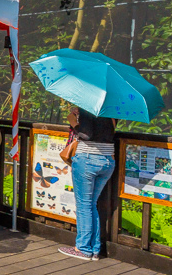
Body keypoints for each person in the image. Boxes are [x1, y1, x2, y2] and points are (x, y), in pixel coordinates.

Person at [59, 105, 116, 261]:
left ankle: (83, 248)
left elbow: (86, 134)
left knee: (84, 204)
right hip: (107, 161)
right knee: (92, 204)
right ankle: (95, 249)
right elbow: (105, 132)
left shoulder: (89, 106)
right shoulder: (112, 110)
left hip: (88, 159)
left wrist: (76, 121)